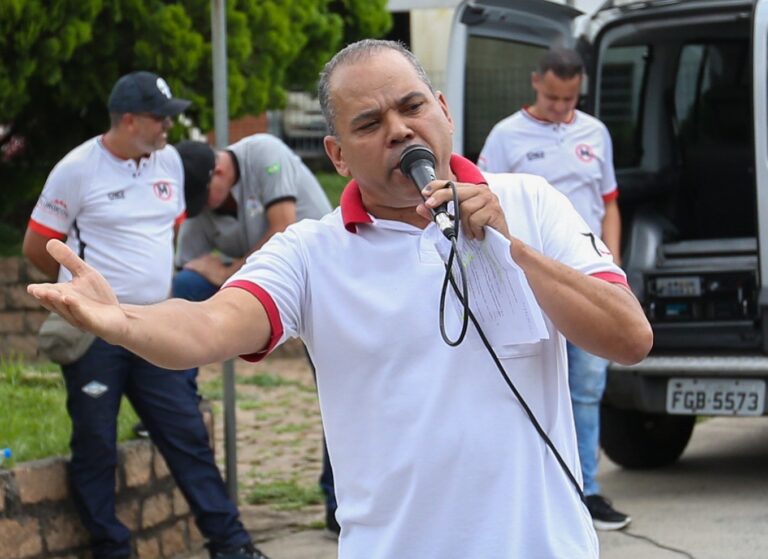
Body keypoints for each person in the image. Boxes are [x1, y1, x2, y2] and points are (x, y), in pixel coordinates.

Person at [27, 42, 653, 558]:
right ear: (338, 155)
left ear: (443, 110)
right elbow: (210, 323)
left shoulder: (532, 201)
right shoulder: (309, 253)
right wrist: (122, 322)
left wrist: (511, 246)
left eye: (412, 107)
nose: (399, 130)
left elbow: (629, 338)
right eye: (369, 124)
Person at [22, 71, 266, 559]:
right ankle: (113, 549)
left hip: (155, 326)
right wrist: (85, 294)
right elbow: (36, 246)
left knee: (186, 435)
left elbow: (165, 229)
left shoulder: (170, 162)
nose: (169, 127)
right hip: (94, 333)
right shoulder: (77, 169)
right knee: (95, 443)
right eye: (161, 118)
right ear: (129, 121)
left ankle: (231, 544)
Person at [477, 46, 629, 531]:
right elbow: (480, 195)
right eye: (554, 98)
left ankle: (587, 491)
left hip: (583, 272)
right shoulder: (505, 136)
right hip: (527, 276)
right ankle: (530, 489)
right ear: (535, 83)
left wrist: (612, 260)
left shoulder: (594, 132)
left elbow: (609, 202)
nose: (563, 108)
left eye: (571, 99)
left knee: (587, 386)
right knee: (526, 382)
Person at [172, 136, 338, 534]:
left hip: (325, 281)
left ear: (221, 170)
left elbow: (283, 231)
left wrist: (225, 269)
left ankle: (339, 502)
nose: (200, 209)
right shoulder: (199, 212)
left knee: (339, 391)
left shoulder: (263, 152)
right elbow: (188, 269)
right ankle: (176, 395)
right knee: (186, 285)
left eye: (203, 196)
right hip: (258, 293)